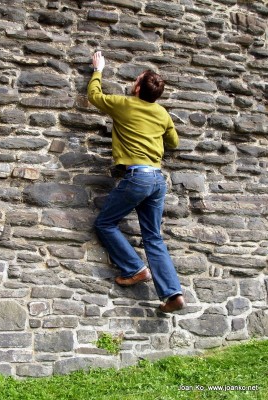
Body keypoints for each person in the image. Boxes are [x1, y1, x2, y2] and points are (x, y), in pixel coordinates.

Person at [87, 51, 185, 313]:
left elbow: (94, 97)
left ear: (138, 88)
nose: (133, 83)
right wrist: (157, 129)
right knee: (153, 237)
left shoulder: (125, 104)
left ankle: (135, 268)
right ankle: (172, 292)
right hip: (157, 179)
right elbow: (174, 142)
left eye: (136, 80)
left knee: (105, 223)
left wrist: (98, 70)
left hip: (138, 177)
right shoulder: (162, 113)